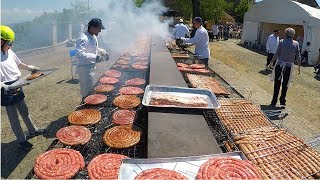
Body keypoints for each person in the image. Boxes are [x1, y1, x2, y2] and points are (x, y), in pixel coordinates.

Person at [1, 25, 45, 150]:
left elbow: (19, 63)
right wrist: (2, 85)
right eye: (9, 43)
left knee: (24, 111)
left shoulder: (9, 51)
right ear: (1, 41)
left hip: (18, 83)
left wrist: (31, 68)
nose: (11, 45)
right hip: (5, 89)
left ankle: (33, 130)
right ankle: (21, 140)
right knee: (13, 117)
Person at [75, 18, 109, 97]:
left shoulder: (93, 36)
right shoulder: (83, 38)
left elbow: (95, 48)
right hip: (84, 69)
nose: (100, 31)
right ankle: (86, 106)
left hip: (91, 66)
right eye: (99, 29)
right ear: (93, 27)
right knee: (87, 92)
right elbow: (79, 54)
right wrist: (95, 57)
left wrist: (104, 53)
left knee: (92, 89)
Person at [269, 27, 301, 107]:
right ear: (293, 35)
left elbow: (277, 53)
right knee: (285, 84)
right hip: (289, 66)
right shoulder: (296, 43)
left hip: (280, 65)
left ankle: (274, 101)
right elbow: (298, 56)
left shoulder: (281, 41)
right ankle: (282, 101)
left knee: (277, 83)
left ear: (286, 34)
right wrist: (299, 66)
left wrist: (272, 61)